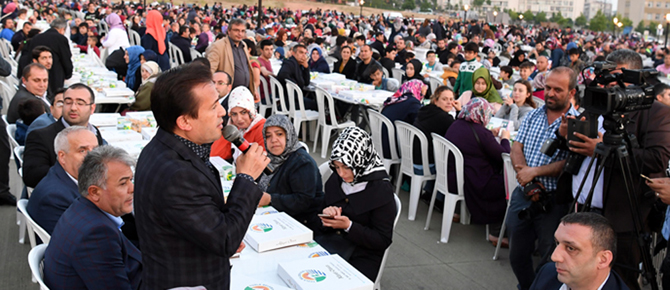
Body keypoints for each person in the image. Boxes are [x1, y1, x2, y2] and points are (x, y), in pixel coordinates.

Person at [134, 64, 269, 290]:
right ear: (185, 122)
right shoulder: (177, 174)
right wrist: (245, 178)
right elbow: (226, 239)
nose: (223, 112)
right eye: (214, 106)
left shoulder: (164, 146)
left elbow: (194, 220)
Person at [556, 49, 670, 290]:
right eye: (606, 75)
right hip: (580, 207)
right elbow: (579, 145)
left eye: (616, 76)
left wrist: (601, 148)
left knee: (617, 282)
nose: (609, 82)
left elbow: (656, 160)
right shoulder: (599, 102)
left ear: (636, 77)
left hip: (621, 218)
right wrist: (565, 135)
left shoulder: (658, 113)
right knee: (574, 277)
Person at [507, 67, 581, 290]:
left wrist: (535, 172)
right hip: (525, 194)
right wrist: (526, 176)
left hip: (554, 202)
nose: (550, 93)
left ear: (571, 93)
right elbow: (516, 146)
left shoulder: (577, 123)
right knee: (517, 253)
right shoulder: (533, 114)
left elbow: (570, 163)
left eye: (558, 89)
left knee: (550, 259)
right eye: (548, 87)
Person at [43, 146, 141, 290]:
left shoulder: (81, 207)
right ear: (94, 192)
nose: (132, 188)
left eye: (131, 180)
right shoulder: (96, 234)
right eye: (123, 183)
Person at [317, 127, 396, 281]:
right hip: (330, 242)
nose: (341, 173)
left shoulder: (381, 190)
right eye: (337, 167)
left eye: (347, 167)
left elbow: (382, 240)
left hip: (363, 254)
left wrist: (349, 226)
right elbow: (319, 211)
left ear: (361, 159)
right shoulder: (336, 179)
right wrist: (326, 214)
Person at [445, 98, 510, 245]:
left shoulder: (456, 124)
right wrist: (505, 139)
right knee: (506, 185)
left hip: (453, 175)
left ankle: (457, 211)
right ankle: (496, 231)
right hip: (474, 180)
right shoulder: (481, 133)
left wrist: (489, 135)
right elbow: (503, 157)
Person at [23, 84, 103, 188]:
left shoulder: (94, 132)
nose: (73, 108)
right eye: (68, 102)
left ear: (92, 108)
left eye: (80, 103)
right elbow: (31, 177)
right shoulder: (40, 136)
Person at [529, 212, 630, 290]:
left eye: (571, 248)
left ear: (603, 259)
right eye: (557, 243)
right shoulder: (547, 273)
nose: (554, 257)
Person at [256, 115, 324, 230]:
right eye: (268, 136)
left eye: (279, 134)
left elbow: (303, 201)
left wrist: (270, 199)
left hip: (299, 224)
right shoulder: (271, 158)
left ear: (289, 135)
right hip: (273, 216)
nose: (273, 140)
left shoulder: (302, 163)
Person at [27, 127, 98, 235]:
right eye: (82, 150)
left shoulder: (67, 177)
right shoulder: (55, 198)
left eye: (96, 150)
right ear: (62, 157)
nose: (93, 157)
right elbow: (82, 241)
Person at [17, 18, 72, 95]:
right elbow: (66, 58)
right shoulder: (61, 38)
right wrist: (68, 74)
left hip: (37, 73)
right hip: (55, 74)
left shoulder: (37, 37)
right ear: (62, 29)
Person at [211, 86, 266, 162]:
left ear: (251, 112)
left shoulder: (262, 128)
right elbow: (215, 155)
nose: (239, 119)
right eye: (234, 114)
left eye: (243, 113)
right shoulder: (234, 129)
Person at [207, 18, 258, 99]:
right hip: (227, 95)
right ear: (229, 31)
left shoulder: (244, 45)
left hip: (244, 93)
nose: (240, 33)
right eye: (236, 30)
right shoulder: (218, 46)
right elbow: (210, 71)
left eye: (242, 31)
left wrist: (253, 88)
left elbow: (247, 68)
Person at [380, 79, 427, 158]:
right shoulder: (413, 103)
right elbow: (419, 122)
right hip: (391, 146)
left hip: (380, 140)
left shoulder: (396, 99)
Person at [276, 44, 317, 110]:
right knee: (317, 105)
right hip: (289, 100)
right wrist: (294, 83)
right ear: (293, 53)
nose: (303, 55)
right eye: (301, 52)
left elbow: (306, 83)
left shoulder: (300, 64)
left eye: (305, 53)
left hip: (295, 97)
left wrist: (306, 67)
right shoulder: (290, 63)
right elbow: (282, 75)